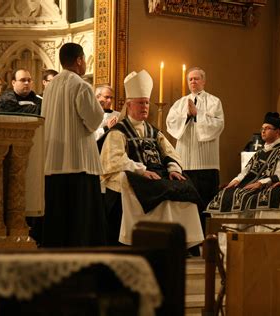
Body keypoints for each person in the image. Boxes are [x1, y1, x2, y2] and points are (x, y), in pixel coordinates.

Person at [100, 70, 204, 247]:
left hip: (159, 174)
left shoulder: (153, 131)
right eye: (140, 103)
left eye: (147, 103)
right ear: (129, 105)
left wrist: (173, 169)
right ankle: (141, 240)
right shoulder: (119, 131)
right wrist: (142, 171)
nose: (145, 107)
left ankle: (181, 241)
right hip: (135, 174)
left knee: (185, 186)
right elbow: (114, 159)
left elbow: (170, 153)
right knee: (152, 188)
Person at [41, 42, 106, 247]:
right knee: (80, 221)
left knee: (58, 219)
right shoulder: (80, 85)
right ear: (79, 60)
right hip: (79, 162)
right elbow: (94, 120)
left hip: (53, 162)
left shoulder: (50, 86)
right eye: (84, 59)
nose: (85, 63)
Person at [166, 67, 224, 232]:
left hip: (207, 163)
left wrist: (197, 114)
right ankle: (189, 241)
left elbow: (218, 125)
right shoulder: (179, 104)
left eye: (196, 78)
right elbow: (171, 123)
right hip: (185, 162)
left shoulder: (214, 102)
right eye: (190, 79)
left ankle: (207, 241)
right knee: (185, 205)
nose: (193, 81)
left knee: (206, 205)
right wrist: (187, 116)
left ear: (204, 81)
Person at [206, 112, 280, 214]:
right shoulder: (259, 153)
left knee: (243, 196)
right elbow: (246, 171)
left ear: (278, 132)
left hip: (265, 187)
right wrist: (236, 180)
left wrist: (260, 183)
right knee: (224, 193)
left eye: (267, 128)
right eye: (262, 128)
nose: (263, 131)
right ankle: (226, 229)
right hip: (248, 184)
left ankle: (243, 228)